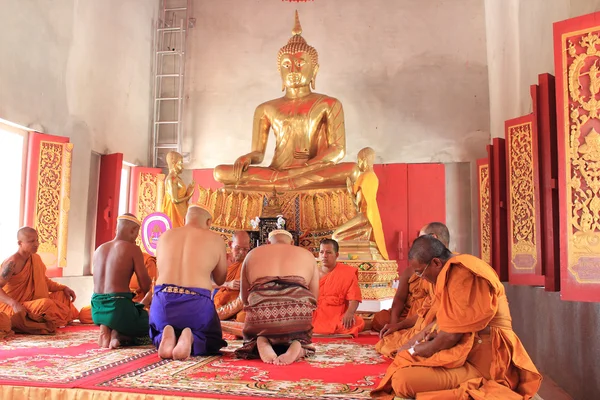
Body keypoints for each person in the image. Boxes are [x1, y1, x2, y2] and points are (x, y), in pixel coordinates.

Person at [371, 236, 542, 399]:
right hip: (465, 349)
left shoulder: (463, 273)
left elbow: (452, 336)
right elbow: (448, 322)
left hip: (486, 359)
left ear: (436, 262)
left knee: (403, 381)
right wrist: (417, 343)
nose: (422, 279)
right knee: (403, 363)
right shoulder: (450, 272)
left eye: (421, 273)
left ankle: (480, 384)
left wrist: (417, 350)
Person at [213, 11, 355, 191]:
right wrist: (247, 158)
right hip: (276, 170)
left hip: (309, 170)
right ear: (279, 71)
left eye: (301, 64)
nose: (293, 70)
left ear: (315, 70)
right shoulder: (265, 108)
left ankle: (281, 183)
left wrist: (307, 166)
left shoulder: (329, 104)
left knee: (353, 170)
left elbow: (338, 149)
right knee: (220, 172)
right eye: (287, 65)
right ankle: (284, 182)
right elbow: (259, 153)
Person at [150, 205, 228, 360]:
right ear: (208, 221)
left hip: (163, 303)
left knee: (156, 329)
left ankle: (166, 336)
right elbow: (220, 279)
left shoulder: (165, 236)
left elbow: (160, 271)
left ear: (185, 219)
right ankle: (190, 337)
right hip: (195, 306)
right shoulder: (215, 239)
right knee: (212, 338)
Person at [235, 230, 318, 365]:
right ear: (292, 243)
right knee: (303, 338)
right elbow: (314, 299)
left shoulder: (252, 254)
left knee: (255, 331)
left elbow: (244, 298)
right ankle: (299, 345)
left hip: (262, 315)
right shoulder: (307, 255)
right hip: (298, 314)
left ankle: (261, 340)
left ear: (268, 243)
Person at [373, 222, 450, 334]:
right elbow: (399, 299)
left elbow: (435, 311)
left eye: (420, 239)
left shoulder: (453, 268)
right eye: (419, 273)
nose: (422, 276)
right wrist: (395, 324)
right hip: (413, 316)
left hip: (434, 318)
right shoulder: (412, 270)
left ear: (433, 238)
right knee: (381, 319)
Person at [0, 227, 78, 334]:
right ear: (20, 243)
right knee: (46, 304)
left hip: (32, 302)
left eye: (37, 240)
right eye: (31, 241)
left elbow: (44, 281)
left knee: (62, 296)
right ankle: (48, 320)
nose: (36, 244)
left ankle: (43, 320)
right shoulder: (12, 263)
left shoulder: (35, 258)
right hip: (12, 306)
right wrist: (13, 303)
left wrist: (63, 288)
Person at [91, 214, 151, 348]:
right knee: (153, 323)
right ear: (133, 231)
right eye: (137, 233)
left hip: (96, 308)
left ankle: (106, 327)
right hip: (118, 308)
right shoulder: (133, 249)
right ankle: (119, 334)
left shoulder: (99, 249)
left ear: (116, 229)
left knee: (130, 308)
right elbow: (145, 285)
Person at [332, 147, 389, 260]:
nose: (358, 164)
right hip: (364, 216)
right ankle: (364, 235)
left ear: (363, 160)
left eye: (358, 161)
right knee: (337, 238)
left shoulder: (366, 177)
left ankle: (363, 237)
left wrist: (350, 189)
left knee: (335, 236)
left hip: (364, 216)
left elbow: (361, 203)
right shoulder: (369, 176)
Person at [79, 251, 157, 324]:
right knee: (84, 313)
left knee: (148, 314)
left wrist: (141, 305)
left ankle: (114, 319)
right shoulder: (117, 259)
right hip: (116, 302)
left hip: (137, 302)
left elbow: (152, 288)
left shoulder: (147, 260)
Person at [312, 239, 364, 337]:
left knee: (356, 322)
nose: (324, 256)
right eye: (321, 252)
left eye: (328, 252)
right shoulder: (312, 273)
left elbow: (354, 298)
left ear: (336, 255)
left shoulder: (346, 273)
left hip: (337, 315)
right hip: (316, 315)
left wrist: (350, 313)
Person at [213, 230, 251, 322]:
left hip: (241, 302)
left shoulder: (250, 262)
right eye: (238, 248)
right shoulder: (220, 260)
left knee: (243, 318)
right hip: (221, 301)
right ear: (230, 245)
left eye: (245, 249)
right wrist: (228, 284)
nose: (242, 252)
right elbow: (206, 282)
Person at [162, 151, 195, 228]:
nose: (182, 167)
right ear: (174, 164)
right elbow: (175, 200)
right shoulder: (171, 179)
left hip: (181, 210)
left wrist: (189, 191)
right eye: (181, 163)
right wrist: (188, 195)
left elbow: (182, 199)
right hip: (174, 213)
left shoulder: (178, 179)